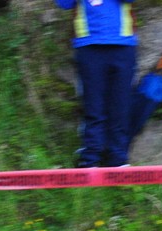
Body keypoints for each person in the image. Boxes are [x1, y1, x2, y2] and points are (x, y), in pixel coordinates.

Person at [54, 0, 138, 167]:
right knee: (93, 106)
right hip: (89, 45)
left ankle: (118, 159)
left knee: (120, 105)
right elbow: (64, 4)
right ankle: (91, 158)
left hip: (122, 43)